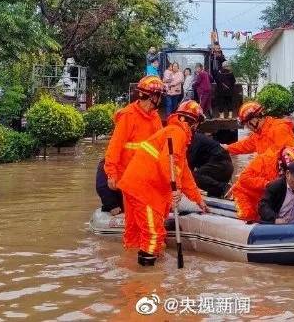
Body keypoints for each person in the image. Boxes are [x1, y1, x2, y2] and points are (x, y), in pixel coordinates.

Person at [118, 100, 209, 266]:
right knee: (153, 234)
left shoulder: (172, 131)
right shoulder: (177, 133)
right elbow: (168, 162)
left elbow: (184, 172)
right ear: (193, 122)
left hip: (135, 185)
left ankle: (130, 269)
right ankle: (146, 279)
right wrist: (177, 190)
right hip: (145, 189)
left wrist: (198, 199)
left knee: (135, 233)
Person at [95, 76, 164, 215]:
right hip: (124, 175)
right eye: (159, 96)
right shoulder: (128, 116)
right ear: (153, 97)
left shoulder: (155, 118)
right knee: (103, 170)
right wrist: (112, 175)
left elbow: (161, 149)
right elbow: (115, 147)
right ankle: (112, 205)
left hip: (141, 176)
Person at [229, 146, 294, 222]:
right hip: (244, 194)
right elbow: (243, 179)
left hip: (263, 198)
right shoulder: (262, 160)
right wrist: (267, 184)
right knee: (248, 215)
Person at [223, 102, 294, 156]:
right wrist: (227, 148)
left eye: (247, 123)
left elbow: (285, 158)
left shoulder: (279, 129)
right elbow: (245, 145)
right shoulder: (259, 134)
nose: (247, 127)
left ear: (255, 119)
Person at [187, 132, 233, 198]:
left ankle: (224, 188)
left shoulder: (193, 141)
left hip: (220, 167)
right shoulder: (196, 138)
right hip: (223, 167)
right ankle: (222, 191)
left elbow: (188, 167)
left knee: (192, 177)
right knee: (214, 194)